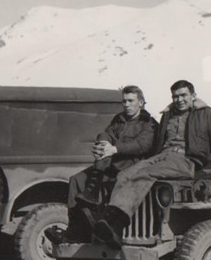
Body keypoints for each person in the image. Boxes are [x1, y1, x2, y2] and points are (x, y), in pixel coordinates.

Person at [90, 80, 211, 249]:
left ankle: (118, 223)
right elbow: (156, 143)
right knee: (124, 174)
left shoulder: (205, 114)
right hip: (163, 156)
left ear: (193, 96)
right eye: (175, 96)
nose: (179, 100)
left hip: (185, 160)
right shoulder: (168, 114)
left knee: (145, 173)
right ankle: (110, 224)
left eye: (183, 95)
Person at [45, 85, 157, 244]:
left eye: (131, 101)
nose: (126, 105)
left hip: (131, 164)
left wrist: (114, 149)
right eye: (124, 101)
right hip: (109, 163)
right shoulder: (119, 120)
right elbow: (107, 134)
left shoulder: (148, 123)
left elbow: (142, 146)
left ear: (141, 102)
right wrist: (102, 145)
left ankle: (95, 193)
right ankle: (75, 230)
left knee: (109, 168)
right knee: (76, 180)